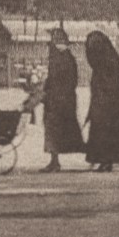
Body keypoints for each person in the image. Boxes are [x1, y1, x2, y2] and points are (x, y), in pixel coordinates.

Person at [83, 30, 119, 171]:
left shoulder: (108, 62)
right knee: (103, 132)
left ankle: (106, 161)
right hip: (103, 105)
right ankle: (103, 160)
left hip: (109, 107)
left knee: (106, 133)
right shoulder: (107, 60)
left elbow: (112, 85)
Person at [39, 28, 85, 172]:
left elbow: (58, 80)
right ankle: (54, 161)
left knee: (55, 130)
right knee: (61, 131)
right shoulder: (67, 57)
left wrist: (48, 91)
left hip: (58, 101)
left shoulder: (59, 58)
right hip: (62, 100)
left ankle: (55, 162)